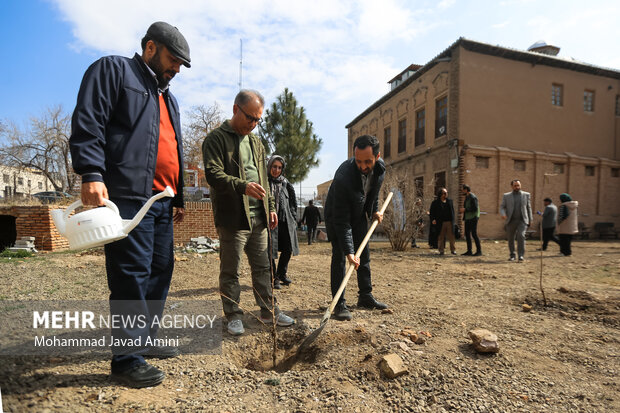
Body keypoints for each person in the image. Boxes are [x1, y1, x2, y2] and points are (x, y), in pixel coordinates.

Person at [69, 22, 190, 387]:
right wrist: (91, 171)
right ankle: (126, 358)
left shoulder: (168, 97)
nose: (177, 69)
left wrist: (179, 195)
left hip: (160, 201)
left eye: (182, 64)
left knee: (160, 270)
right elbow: (89, 120)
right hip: (126, 197)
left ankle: (145, 341)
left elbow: (173, 148)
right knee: (131, 275)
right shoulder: (114, 71)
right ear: (151, 48)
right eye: (173, 59)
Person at [202, 89, 295, 336]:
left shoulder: (256, 142)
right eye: (250, 118)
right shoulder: (215, 139)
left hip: (259, 218)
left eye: (258, 120)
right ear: (235, 109)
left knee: (264, 267)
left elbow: (264, 178)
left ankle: (268, 311)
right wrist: (243, 187)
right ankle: (233, 315)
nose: (253, 125)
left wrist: (271, 208)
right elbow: (213, 175)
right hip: (233, 219)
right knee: (231, 270)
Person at [325, 135, 387, 321]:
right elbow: (342, 221)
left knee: (364, 253)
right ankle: (339, 303)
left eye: (367, 161)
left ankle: (365, 296)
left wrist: (375, 210)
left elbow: (372, 192)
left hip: (359, 213)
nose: (362, 166)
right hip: (338, 215)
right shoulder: (343, 176)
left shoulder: (380, 169)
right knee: (340, 256)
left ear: (377, 157)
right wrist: (349, 251)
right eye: (358, 161)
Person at [267, 155, 299, 289]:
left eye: (279, 167)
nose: (276, 170)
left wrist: (293, 216)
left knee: (288, 248)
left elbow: (293, 202)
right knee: (270, 250)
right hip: (270, 222)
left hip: (285, 221)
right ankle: (273, 278)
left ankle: (281, 274)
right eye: (274, 166)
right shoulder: (265, 182)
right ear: (269, 167)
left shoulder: (286, 183)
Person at [500, 179, 533, 262]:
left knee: (521, 236)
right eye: (515, 186)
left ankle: (521, 255)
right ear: (512, 186)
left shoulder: (526, 195)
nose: (517, 187)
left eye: (518, 185)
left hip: (522, 220)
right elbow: (502, 207)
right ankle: (512, 255)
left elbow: (528, 208)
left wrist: (530, 219)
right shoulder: (506, 196)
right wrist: (503, 213)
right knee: (511, 238)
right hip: (511, 220)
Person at [429, 188, 456, 255]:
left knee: (451, 237)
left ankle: (453, 250)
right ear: (440, 194)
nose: (446, 194)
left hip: (449, 222)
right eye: (444, 193)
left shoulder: (450, 201)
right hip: (440, 222)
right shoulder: (435, 203)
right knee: (441, 237)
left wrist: (453, 221)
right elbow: (432, 212)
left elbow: (452, 211)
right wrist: (433, 219)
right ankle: (441, 250)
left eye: (446, 193)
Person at [460, 185, 482, 256]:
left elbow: (475, 208)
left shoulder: (473, 197)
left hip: (473, 217)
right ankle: (469, 251)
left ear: (466, 190)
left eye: (462, 190)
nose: (462, 191)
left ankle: (479, 251)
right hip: (468, 218)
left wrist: (465, 210)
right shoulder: (467, 197)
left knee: (474, 234)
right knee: (467, 234)